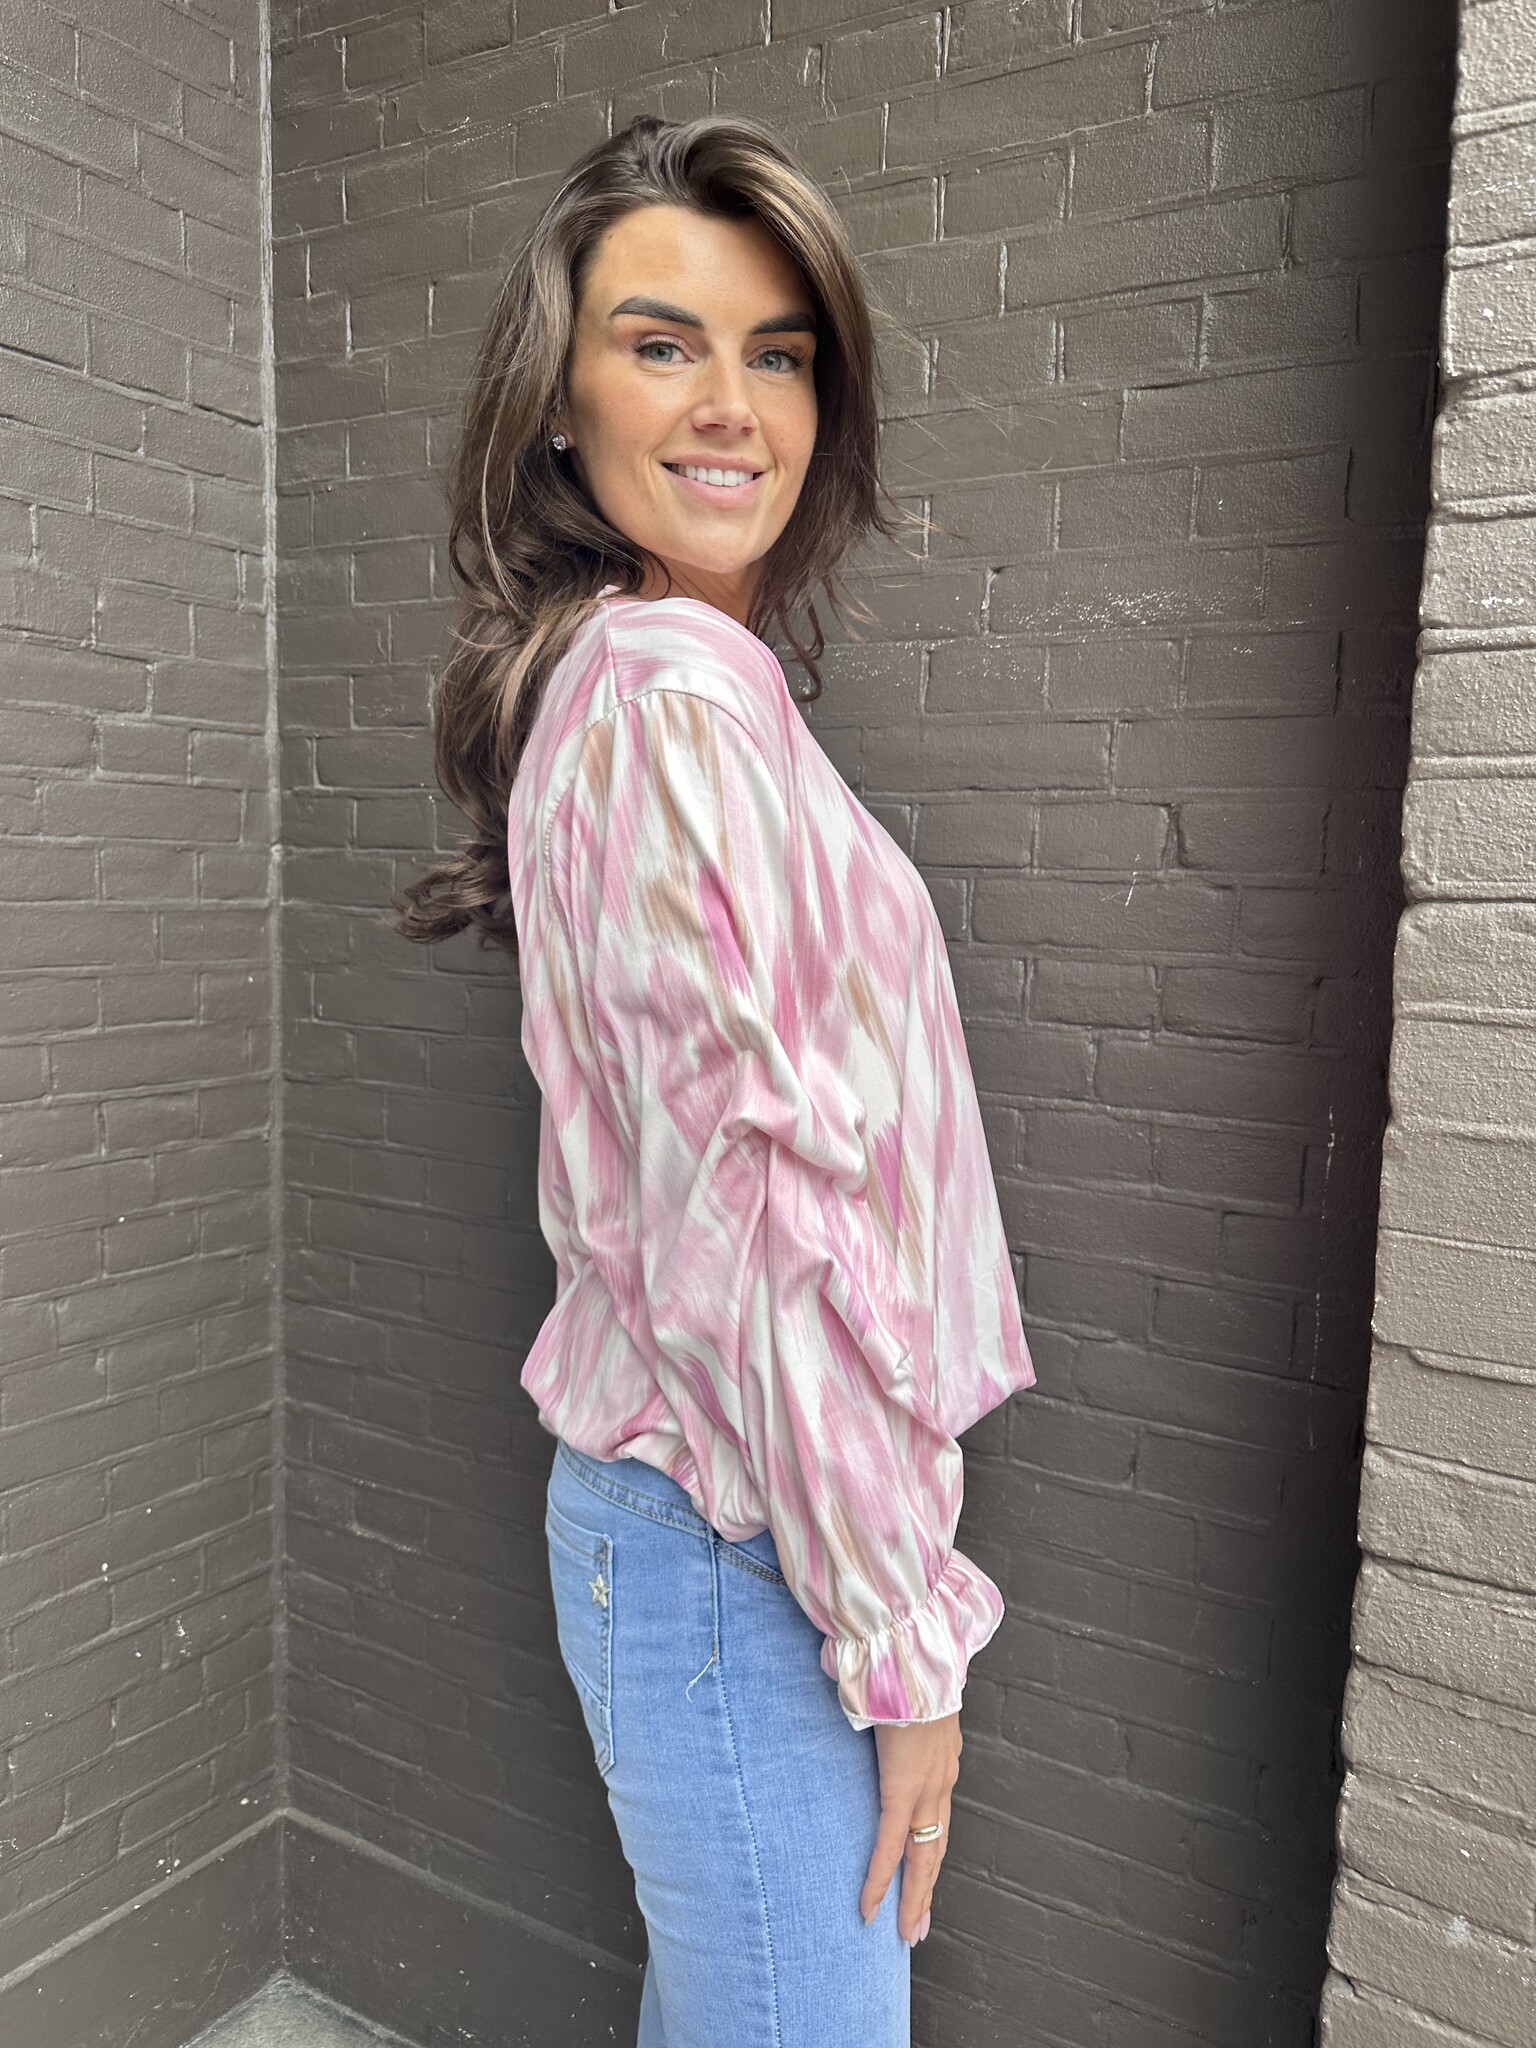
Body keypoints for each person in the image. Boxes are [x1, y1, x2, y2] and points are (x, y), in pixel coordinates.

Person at [393, 112, 1036, 2048]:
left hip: (737, 1533)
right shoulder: (669, 704)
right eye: (661, 342)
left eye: (779, 352)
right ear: (558, 401)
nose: (733, 405)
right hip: (745, 1546)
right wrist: (903, 1641)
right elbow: (755, 1228)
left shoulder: (668, 686)